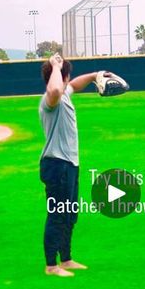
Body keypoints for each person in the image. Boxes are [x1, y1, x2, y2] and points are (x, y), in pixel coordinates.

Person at [39, 53, 99, 276]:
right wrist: (56, 65)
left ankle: (65, 259)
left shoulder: (64, 94)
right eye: (67, 75)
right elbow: (54, 89)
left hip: (69, 165)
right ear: (60, 76)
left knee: (70, 214)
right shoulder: (50, 99)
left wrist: (94, 76)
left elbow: (73, 84)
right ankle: (51, 265)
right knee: (57, 214)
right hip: (57, 165)